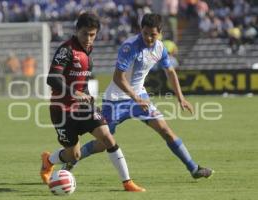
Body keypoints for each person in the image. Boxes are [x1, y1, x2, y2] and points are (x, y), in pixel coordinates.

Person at [64, 13, 214, 182]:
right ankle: (71, 161)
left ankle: (194, 168)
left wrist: (180, 97)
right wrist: (136, 98)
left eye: (153, 34)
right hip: (115, 100)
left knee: (166, 131)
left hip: (139, 97)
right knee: (102, 144)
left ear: (160, 33)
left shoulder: (160, 48)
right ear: (141, 30)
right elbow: (118, 78)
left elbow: (170, 72)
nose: (149, 38)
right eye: (145, 33)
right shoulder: (130, 47)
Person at [40, 12, 145, 192]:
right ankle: (49, 161)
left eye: (92, 35)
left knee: (107, 139)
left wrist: (86, 96)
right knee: (74, 155)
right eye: (85, 34)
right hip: (62, 110)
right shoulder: (66, 50)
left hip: (84, 108)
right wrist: (75, 93)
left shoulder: (88, 54)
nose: (89, 39)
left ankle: (127, 182)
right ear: (77, 31)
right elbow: (52, 79)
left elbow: (83, 83)